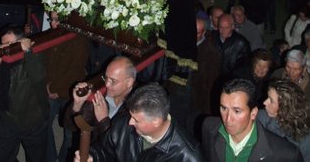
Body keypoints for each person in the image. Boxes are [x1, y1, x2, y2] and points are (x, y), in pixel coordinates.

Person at [74, 82, 205, 162]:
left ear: (156, 121)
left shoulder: (188, 157)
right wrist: (92, 156)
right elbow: (104, 149)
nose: (130, 122)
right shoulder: (123, 124)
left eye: (136, 120)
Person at [0, 25, 49, 162]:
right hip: (8, 119)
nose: (4, 48)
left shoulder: (34, 55)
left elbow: (38, 77)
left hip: (32, 121)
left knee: (36, 158)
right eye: (2, 44)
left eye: (9, 44)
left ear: (21, 42)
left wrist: (28, 52)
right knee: (2, 157)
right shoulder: (4, 60)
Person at [202, 78, 304, 161]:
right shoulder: (209, 127)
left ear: (253, 113)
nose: (228, 119)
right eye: (224, 108)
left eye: (237, 111)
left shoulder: (286, 154)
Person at [45, 11, 90, 162]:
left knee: (70, 132)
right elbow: (47, 63)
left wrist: (57, 89)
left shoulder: (78, 38)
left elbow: (76, 69)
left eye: (57, 20)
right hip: (51, 89)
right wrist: (48, 85)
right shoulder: (54, 34)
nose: (53, 23)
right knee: (43, 124)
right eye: (51, 19)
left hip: (69, 93)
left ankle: (63, 159)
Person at [65, 56, 136, 139]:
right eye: (106, 78)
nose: (107, 84)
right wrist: (77, 104)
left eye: (113, 81)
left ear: (129, 82)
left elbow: (121, 145)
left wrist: (103, 120)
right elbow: (70, 127)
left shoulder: (137, 105)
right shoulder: (100, 98)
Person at [258, 78, 310, 161]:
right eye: (267, 97)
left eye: (271, 100)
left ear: (285, 107)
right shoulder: (260, 117)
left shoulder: (306, 139)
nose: (265, 102)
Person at [186, 17, 221, 138]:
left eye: (197, 32)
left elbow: (210, 83)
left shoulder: (210, 53)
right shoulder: (182, 43)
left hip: (196, 99)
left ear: (204, 32)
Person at [271, 49, 310, 120]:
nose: (291, 72)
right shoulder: (277, 75)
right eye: (288, 67)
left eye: (296, 69)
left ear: (304, 69)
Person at [213, 13, 251, 79]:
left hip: (230, 81)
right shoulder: (212, 37)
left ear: (232, 27)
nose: (223, 31)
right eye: (221, 27)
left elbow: (245, 67)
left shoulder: (242, 43)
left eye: (226, 27)